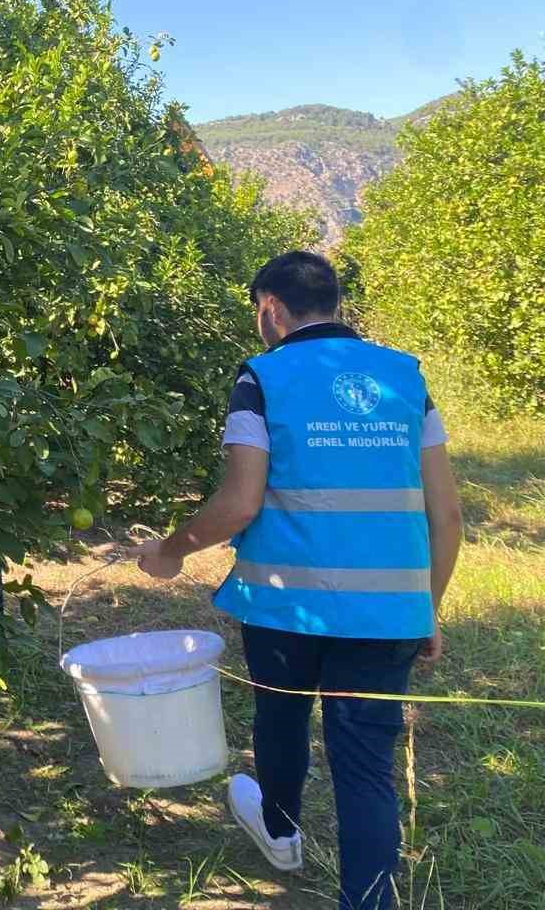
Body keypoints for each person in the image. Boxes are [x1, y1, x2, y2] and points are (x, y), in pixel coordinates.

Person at [131, 251, 463, 910]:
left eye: (258, 312)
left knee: (280, 719)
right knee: (366, 768)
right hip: (387, 614)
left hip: (285, 606)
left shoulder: (261, 376)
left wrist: (169, 551)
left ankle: (280, 833)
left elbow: (239, 504)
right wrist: (427, 608)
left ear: (272, 309)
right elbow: (447, 515)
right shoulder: (406, 376)